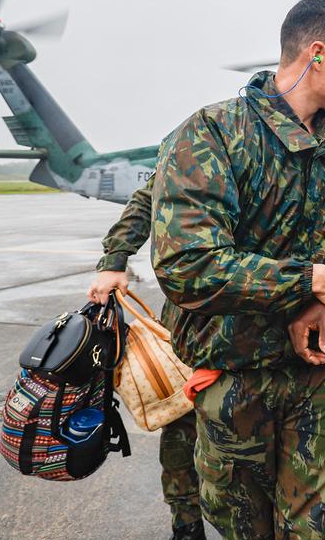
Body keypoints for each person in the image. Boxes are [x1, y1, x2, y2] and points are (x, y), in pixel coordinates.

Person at [151, 0, 325, 539]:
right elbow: (187, 265)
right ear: (317, 54)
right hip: (236, 379)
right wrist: (309, 281)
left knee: (317, 529)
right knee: (244, 527)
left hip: (321, 378)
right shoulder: (214, 134)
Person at [86, 177, 204, 540]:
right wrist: (113, 259)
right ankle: (186, 522)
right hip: (195, 307)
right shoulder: (203, 133)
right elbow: (148, 197)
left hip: (273, 309)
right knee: (181, 416)